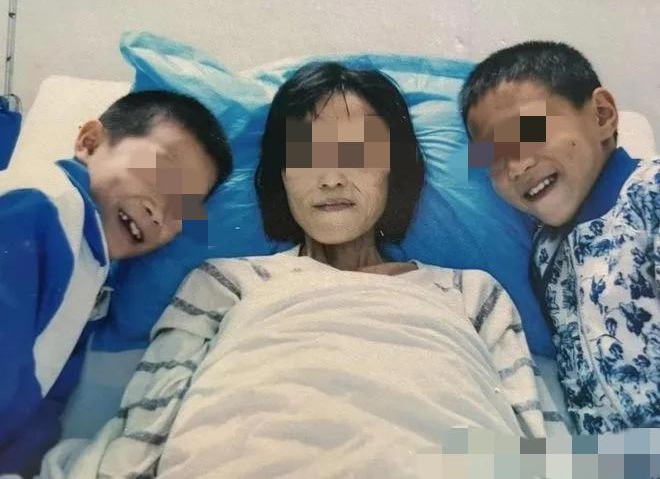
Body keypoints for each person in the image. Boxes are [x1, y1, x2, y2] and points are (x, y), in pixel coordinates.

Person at [40, 62, 553, 478]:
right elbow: (145, 426)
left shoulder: (470, 292)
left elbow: (536, 436)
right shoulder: (224, 282)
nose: (330, 177)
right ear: (281, 175)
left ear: (393, 168)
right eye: (306, 154)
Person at [0, 90, 233, 476]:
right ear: (90, 143)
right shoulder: (41, 204)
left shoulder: (91, 269)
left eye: (184, 208)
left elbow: (48, 396)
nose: (161, 211)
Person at [460, 40, 660, 434]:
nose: (516, 166)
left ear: (602, 115)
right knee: (449, 452)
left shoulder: (649, 192)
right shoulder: (544, 253)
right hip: (610, 456)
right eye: (493, 155)